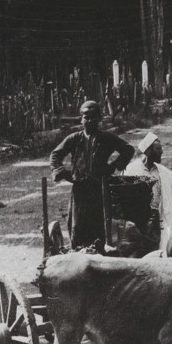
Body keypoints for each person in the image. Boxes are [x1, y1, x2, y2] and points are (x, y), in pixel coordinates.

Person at [50, 100, 136, 248]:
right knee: (77, 226)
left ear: (99, 119)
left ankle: (99, 257)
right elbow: (55, 155)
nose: (89, 120)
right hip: (80, 190)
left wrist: (113, 166)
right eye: (86, 117)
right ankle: (78, 256)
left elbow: (128, 149)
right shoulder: (74, 139)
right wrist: (63, 172)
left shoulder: (106, 138)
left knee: (99, 226)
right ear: (81, 119)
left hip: (99, 189)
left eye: (93, 117)